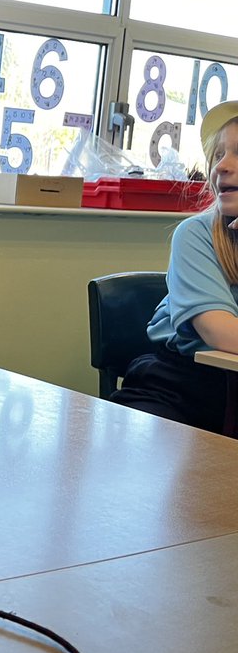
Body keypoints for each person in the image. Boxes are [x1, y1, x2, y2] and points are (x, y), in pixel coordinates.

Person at [110, 100, 238, 434]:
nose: (223, 165)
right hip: (179, 389)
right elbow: (221, 332)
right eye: (219, 154)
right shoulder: (196, 235)